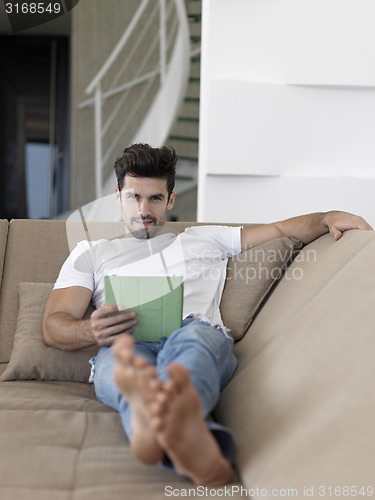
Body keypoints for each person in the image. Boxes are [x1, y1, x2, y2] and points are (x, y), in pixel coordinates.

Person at [42, 143, 372, 486]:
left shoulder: (206, 238)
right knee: (119, 365)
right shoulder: (91, 253)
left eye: (155, 198)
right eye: (133, 197)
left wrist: (325, 218)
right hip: (124, 341)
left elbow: (280, 231)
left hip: (192, 330)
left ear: (170, 200)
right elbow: (55, 325)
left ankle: (153, 423)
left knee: (193, 347)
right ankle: (182, 433)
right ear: (117, 196)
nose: (143, 209)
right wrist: (92, 332)